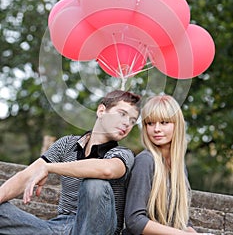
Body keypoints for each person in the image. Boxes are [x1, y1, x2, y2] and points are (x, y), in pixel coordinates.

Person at [0, 89, 141, 235]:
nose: (126, 123)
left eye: (132, 120)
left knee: (94, 184)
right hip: (60, 227)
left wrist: (49, 167)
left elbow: (107, 170)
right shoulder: (67, 144)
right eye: (122, 114)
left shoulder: (123, 154)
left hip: (100, 229)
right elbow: (26, 176)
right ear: (101, 111)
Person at [123, 94, 214, 235]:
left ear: (177, 125)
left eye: (164, 122)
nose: (156, 129)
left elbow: (179, 221)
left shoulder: (179, 166)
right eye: (150, 123)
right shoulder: (145, 161)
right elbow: (135, 221)